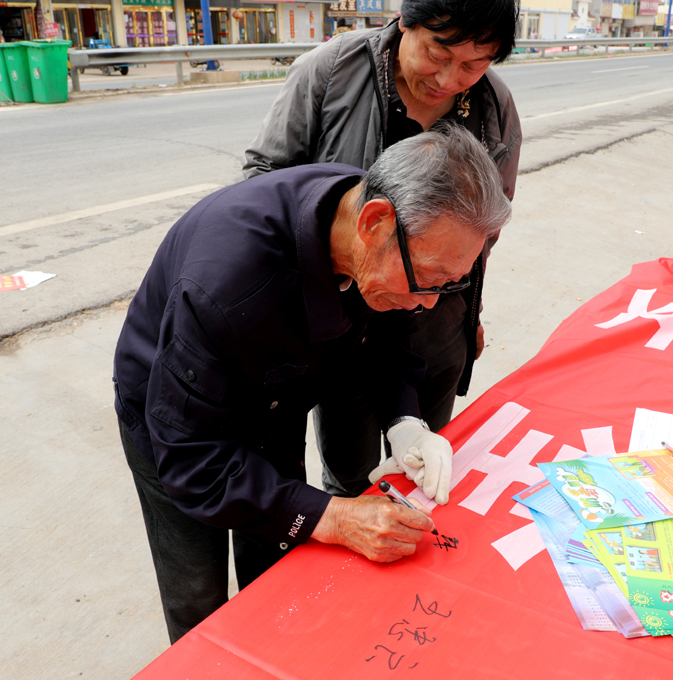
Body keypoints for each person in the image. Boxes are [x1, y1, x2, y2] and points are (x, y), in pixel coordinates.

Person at [114, 127, 512, 643]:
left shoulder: (374, 219)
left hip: (276, 398)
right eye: (429, 279)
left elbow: (388, 336)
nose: (430, 302)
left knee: (277, 560)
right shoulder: (226, 285)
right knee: (196, 588)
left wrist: (405, 422)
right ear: (373, 223)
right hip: (177, 420)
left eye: (450, 284)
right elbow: (192, 461)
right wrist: (336, 517)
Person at [243, 0, 522, 499]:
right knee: (351, 480)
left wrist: (469, 310)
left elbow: (486, 227)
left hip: (436, 330)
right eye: (438, 53)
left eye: (473, 64)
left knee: (422, 472)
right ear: (405, 22)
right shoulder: (330, 71)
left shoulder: (494, 107)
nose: (449, 79)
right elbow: (265, 184)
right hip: (341, 328)